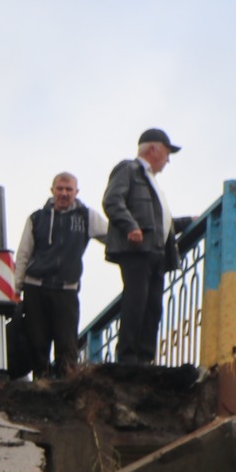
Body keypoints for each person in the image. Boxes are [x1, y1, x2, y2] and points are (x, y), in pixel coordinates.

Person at [102, 128, 183, 365]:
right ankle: (128, 357)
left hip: (156, 251)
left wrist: (188, 222)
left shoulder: (151, 181)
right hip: (137, 250)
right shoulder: (129, 170)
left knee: (153, 306)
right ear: (153, 149)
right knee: (136, 301)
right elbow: (112, 200)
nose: (167, 160)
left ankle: (145, 358)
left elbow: (161, 221)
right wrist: (130, 226)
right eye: (166, 154)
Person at [12, 173, 102, 378]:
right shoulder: (37, 218)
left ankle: (66, 389)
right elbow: (23, 255)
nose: (64, 193)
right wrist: (15, 290)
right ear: (52, 190)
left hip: (66, 289)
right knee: (38, 344)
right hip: (36, 287)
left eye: (68, 189)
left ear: (76, 192)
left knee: (67, 344)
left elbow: (113, 236)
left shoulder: (86, 216)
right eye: (60, 188)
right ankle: (40, 387)